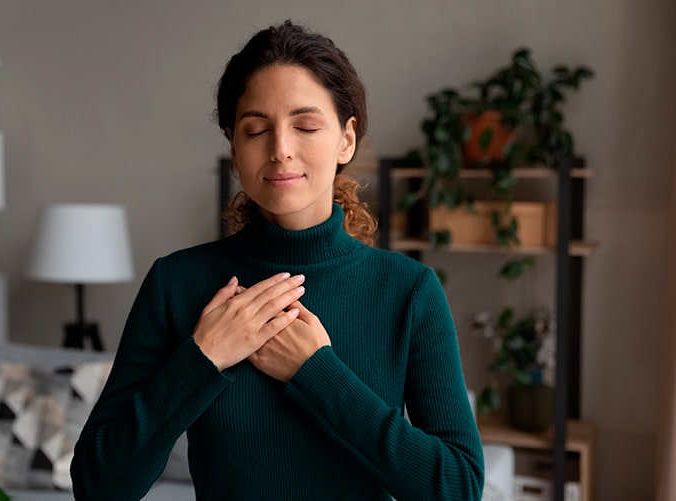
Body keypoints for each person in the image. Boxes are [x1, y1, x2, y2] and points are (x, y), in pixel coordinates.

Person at [71, 20, 484, 500]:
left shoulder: (407, 291)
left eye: (306, 126)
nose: (280, 150)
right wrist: (203, 359)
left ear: (346, 140)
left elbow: (458, 488)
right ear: (234, 146)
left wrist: (317, 374)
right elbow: (97, 486)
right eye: (256, 130)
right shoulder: (176, 283)